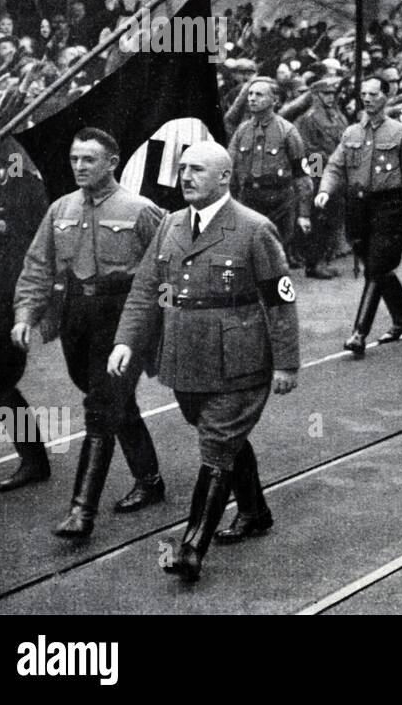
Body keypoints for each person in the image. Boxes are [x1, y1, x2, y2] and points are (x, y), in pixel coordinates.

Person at [109, 141, 299, 582]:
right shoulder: (171, 225)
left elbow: (279, 301)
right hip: (185, 359)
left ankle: (193, 546)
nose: (186, 177)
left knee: (215, 446)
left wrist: (286, 364)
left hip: (240, 361)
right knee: (220, 434)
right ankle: (254, 510)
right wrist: (126, 342)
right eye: (182, 169)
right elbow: (146, 290)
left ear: (224, 177)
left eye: (196, 169)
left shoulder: (255, 229)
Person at [12, 127, 167, 538]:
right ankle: (150, 481)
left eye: (89, 160)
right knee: (106, 397)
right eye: (75, 159)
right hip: (77, 318)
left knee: (101, 408)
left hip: (125, 318)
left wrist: (155, 328)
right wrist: (25, 315)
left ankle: (82, 512)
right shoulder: (60, 209)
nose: (79, 167)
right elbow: (38, 265)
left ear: (112, 162)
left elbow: (166, 269)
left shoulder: (141, 210)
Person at [0, 105, 50, 489]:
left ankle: (30, 460)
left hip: (5, 303)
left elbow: (31, 250)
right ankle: (34, 459)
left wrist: (26, 309)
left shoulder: (16, 182)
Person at [316, 76, 402, 355]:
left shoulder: (401, 133)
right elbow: (335, 167)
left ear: (386, 97)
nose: (367, 98)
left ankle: (358, 334)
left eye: (374, 94)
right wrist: (325, 190)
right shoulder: (351, 133)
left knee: (376, 267)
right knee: (377, 267)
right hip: (359, 209)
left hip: (389, 207)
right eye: (364, 93)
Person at [228, 76, 312, 256]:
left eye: (259, 95)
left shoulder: (288, 131)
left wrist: (304, 214)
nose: (252, 98)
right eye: (250, 94)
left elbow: (302, 175)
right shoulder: (242, 131)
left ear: (274, 100)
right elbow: (229, 170)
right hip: (248, 202)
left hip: (279, 204)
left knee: (274, 256)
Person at [294, 67, 349, 279]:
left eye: (332, 94)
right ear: (316, 95)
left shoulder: (339, 117)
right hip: (320, 173)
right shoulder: (309, 119)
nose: (330, 97)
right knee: (318, 219)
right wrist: (317, 178)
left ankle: (324, 259)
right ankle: (314, 262)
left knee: (332, 218)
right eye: (325, 94)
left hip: (337, 175)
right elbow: (308, 149)